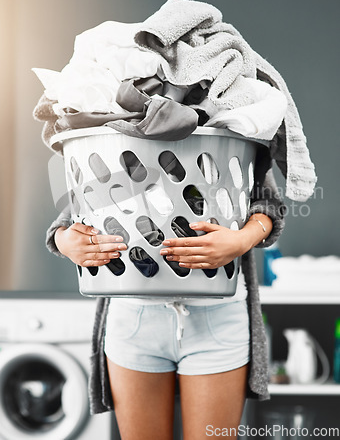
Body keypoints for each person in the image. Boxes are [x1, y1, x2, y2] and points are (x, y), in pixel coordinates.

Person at [47, 158, 285, 440]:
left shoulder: (232, 126)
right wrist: (64, 240)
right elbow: (79, 204)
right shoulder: (113, 126)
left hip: (218, 316)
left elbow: (267, 201)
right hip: (134, 318)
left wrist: (244, 238)